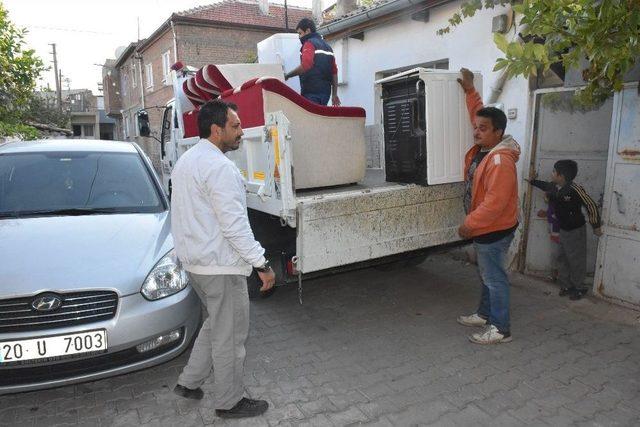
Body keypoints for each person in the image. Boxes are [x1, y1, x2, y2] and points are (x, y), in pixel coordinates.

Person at [170, 99, 276, 419]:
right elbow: (234, 226)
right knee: (230, 337)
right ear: (217, 131)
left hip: (195, 264)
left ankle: (189, 383)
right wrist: (262, 264)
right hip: (221, 266)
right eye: (235, 126)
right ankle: (229, 401)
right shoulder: (221, 168)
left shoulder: (186, 162)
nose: (242, 132)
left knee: (217, 324)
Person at [455, 68, 521, 345]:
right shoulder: (489, 146)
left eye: (483, 129)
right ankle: (485, 313)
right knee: (487, 274)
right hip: (488, 226)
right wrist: (471, 91)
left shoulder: (499, 161)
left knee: (494, 278)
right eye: (476, 128)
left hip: (493, 228)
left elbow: (494, 205)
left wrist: (468, 225)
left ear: (499, 132)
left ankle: (500, 328)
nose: (476, 131)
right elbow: (480, 114)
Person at [527, 160, 603, 300]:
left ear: (561, 176)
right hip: (562, 229)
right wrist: (533, 181)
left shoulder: (575, 189)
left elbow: (591, 204)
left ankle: (579, 287)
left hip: (575, 230)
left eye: (554, 172)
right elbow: (544, 185)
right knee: (562, 258)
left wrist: (596, 225)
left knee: (576, 260)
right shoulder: (554, 187)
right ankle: (566, 285)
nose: (552, 174)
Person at [284, 18, 341, 106]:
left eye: (300, 33)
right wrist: (334, 94)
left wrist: (288, 75)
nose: (299, 37)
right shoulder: (328, 47)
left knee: (310, 118)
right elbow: (334, 73)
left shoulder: (309, 43)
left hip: (311, 93)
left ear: (307, 31)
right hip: (325, 94)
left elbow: (306, 65)